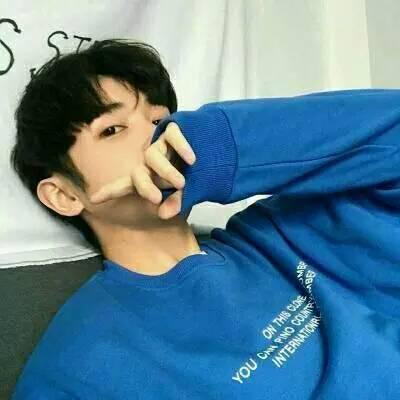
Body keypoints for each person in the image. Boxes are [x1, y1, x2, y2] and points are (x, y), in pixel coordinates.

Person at [10, 38, 400, 399]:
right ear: (64, 195)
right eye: (113, 129)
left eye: (159, 121)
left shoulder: (284, 234)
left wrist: (218, 148)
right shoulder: (78, 363)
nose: (153, 137)